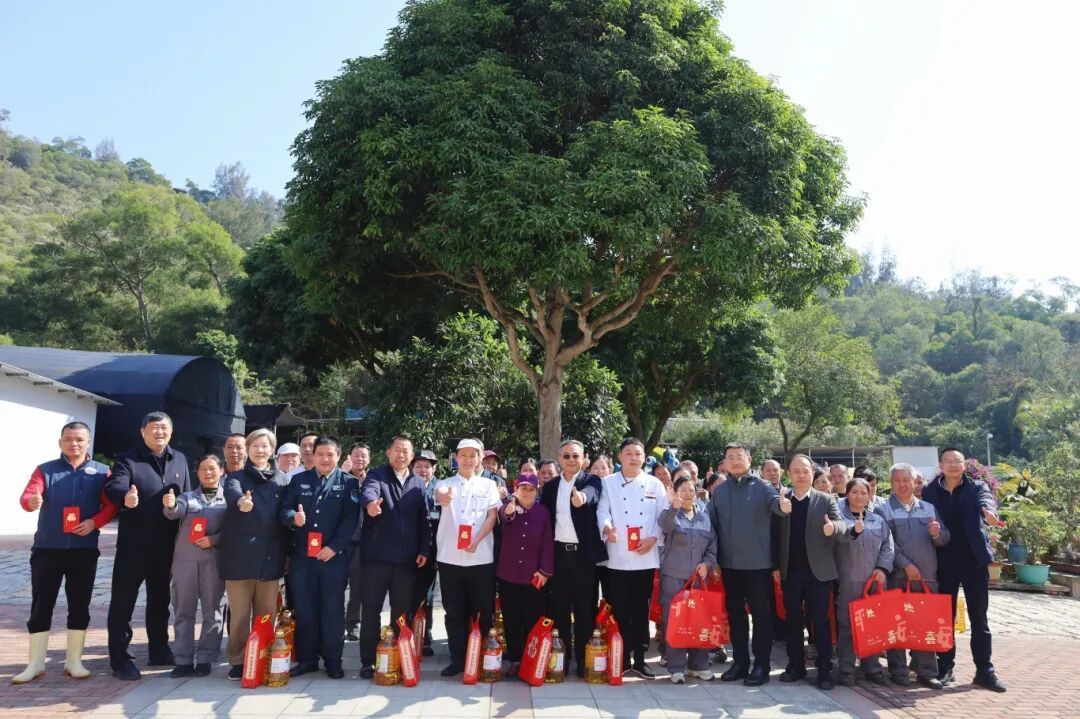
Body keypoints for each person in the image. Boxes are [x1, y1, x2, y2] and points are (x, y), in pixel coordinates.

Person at [14, 422, 116, 684]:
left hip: (83, 550)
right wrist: (31, 501)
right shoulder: (45, 470)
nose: (74, 444)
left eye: (80, 439)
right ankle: (35, 663)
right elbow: (28, 495)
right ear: (60, 442)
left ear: (88, 442)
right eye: (69, 439)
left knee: (79, 604)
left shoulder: (102, 472)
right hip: (47, 549)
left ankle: (74, 661)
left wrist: (95, 523)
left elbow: (111, 506)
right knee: (41, 605)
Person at [105, 411, 190, 680]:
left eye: (164, 428)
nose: (159, 432)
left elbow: (186, 496)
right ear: (143, 431)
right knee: (123, 603)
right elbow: (114, 486)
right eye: (153, 428)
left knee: (160, 601)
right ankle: (121, 660)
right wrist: (125, 498)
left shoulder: (180, 459)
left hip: (166, 546)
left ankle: (159, 650)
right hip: (133, 546)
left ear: (171, 431)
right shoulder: (127, 458)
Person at [921, 448, 1006, 692]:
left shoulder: (977, 487)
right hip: (944, 560)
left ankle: (984, 670)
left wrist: (989, 513)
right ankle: (945, 667)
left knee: (979, 618)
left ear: (963, 465)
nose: (952, 465)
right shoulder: (930, 491)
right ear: (941, 465)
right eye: (948, 461)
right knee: (945, 618)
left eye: (957, 461)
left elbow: (986, 502)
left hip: (973, 561)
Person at [280, 436, 359, 678]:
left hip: (333, 559)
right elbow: (284, 510)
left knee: (333, 610)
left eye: (330, 454)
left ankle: (333, 661)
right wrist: (294, 517)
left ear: (339, 456)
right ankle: (307, 660)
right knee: (305, 609)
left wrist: (334, 547)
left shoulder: (348, 483)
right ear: (312, 455)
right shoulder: (298, 480)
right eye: (321, 454)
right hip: (303, 558)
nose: (325, 459)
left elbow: (351, 520)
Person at [708, 443, 785, 687]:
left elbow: (778, 506)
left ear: (749, 460)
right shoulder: (719, 491)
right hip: (729, 565)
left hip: (758, 565)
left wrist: (784, 506)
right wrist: (714, 559)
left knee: (762, 617)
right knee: (736, 616)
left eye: (739, 457)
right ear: (725, 462)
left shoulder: (763, 487)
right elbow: (712, 526)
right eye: (730, 457)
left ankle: (761, 664)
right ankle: (740, 662)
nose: (735, 461)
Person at [219, 428, 290, 680]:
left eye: (265, 446)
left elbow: (285, 514)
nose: (261, 450)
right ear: (248, 450)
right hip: (240, 556)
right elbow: (232, 493)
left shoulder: (283, 480)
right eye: (256, 446)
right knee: (239, 615)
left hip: (271, 556)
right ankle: (238, 660)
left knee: (266, 613)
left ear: (272, 450)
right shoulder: (235, 477)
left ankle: (264, 655)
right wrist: (242, 502)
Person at [357, 437, 430, 678]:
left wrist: (424, 550)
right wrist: (370, 505)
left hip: (406, 561)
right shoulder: (377, 476)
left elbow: (424, 520)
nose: (401, 455)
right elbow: (369, 492)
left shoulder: (418, 482)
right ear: (388, 452)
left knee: (401, 613)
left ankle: (398, 657)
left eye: (406, 451)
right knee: (370, 610)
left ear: (412, 456)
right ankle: (368, 661)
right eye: (397, 450)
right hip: (376, 559)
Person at [597, 437, 669, 678]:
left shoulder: (654, 484)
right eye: (628, 453)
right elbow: (602, 511)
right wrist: (608, 529)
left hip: (644, 557)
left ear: (643, 457)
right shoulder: (608, 483)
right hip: (616, 557)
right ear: (620, 457)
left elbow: (663, 517)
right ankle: (621, 656)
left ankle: (640, 658)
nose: (633, 457)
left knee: (641, 610)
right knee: (619, 608)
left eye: (637, 453)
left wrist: (653, 538)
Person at [774, 454, 845, 690]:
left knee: (821, 622)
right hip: (790, 573)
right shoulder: (781, 500)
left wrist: (832, 527)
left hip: (819, 573)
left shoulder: (825, 500)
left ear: (812, 473)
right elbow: (774, 537)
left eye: (805, 470)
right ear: (788, 474)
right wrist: (776, 567)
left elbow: (842, 525)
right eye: (796, 470)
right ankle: (795, 665)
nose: (801, 474)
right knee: (793, 621)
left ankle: (824, 669)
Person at [877, 463, 949, 689]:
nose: (902, 485)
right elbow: (886, 543)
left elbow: (945, 538)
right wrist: (905, 565)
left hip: (926, 577)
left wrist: (937, 534)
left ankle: (926, 672)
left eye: (906, 480)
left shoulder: (928, 508)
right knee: (897, 623)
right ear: (891, 484)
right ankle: (898, 670)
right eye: (897, 480)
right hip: (897, 576)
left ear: (914, 482)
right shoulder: (883, 510)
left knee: (925, 624)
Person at [434, 439, 502, 677]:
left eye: (473, 455)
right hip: (450, 558)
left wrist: (477, 539)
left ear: (480, 458)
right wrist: (444, 497)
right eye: (463, 455)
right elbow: (440, 494)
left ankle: (483, 657)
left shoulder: (488, 485)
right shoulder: (445, 483)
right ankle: (457, 658)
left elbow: (492, 516)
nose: (467, 459)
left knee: (482, 610)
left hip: (481, 557)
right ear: (456, 457)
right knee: (453, 611)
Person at [540, 439, 605, 678]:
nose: (570, 460)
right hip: (558, 555)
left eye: (575, 456)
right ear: (559, 458)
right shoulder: (550, 487)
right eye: (566, 456)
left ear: (584, 458)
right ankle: (562, 660)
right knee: (559, 609)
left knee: (585, 610)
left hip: (583, 558)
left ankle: (584, 661)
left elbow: (591, 495)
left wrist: (582, 499)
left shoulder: (592, 480)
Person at [163, 454, 228, 678]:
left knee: (213, 610)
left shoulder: (229, 499)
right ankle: (182, 660)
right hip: (185, 562)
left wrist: (214, 540)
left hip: (213, 562)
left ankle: (206, 658)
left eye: (212, 468)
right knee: (183, 610)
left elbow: (232, 531)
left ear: (222, 470)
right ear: (197, 473)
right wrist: (170, 505)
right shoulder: (187, 497)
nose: (208, 473)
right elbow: (175, 512)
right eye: (203, 469)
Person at [833, 477, 894, 687]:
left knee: (873, 625)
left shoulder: (878, 520)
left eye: (864, 493)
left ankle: (873, 667)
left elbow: (888, 546)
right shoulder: (839, 519)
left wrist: (883, 568)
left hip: (875, 582)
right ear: (847, 494)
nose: (859, 497)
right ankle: (846, 668)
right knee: (848, 625)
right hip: (848, 580)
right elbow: (835, 541)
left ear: (869, 496)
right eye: (855, 492)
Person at [658, 474, 717, 684]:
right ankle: (676, 667)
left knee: (699, 621)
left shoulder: (704, 515)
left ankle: (698, 665)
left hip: (699, 579)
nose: (687, 493)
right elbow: (665, 526)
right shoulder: (670, 514)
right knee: (675, 621)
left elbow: (712, 545)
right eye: (682, 489)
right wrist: (674, 506)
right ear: (675, 492)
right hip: (674, 578)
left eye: (691, 489)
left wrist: (707, 564)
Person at [497, 473, 553, 677]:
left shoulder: (543, 512)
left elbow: (548, 543)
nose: (527, 492)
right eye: (523, 488)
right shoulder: (508, 507)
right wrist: (510, 510)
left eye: (531, 489)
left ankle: (532, 660)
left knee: (532, 619)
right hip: (508, 575)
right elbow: (505, 516)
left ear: (536, 491)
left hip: (534, 576)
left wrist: (545, 571)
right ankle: (514, 659)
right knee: (511, 619)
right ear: (516, 490)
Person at [410, 450, 441, 656]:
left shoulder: (442, 489)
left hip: (434, 553)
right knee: (407, 595)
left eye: (427, 466)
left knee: (427, 597)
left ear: (434, 468)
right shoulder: (407, 487)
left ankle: (425, 636)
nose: (423, 470)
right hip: (409, 551)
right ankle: (407, 634)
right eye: (419, 466)